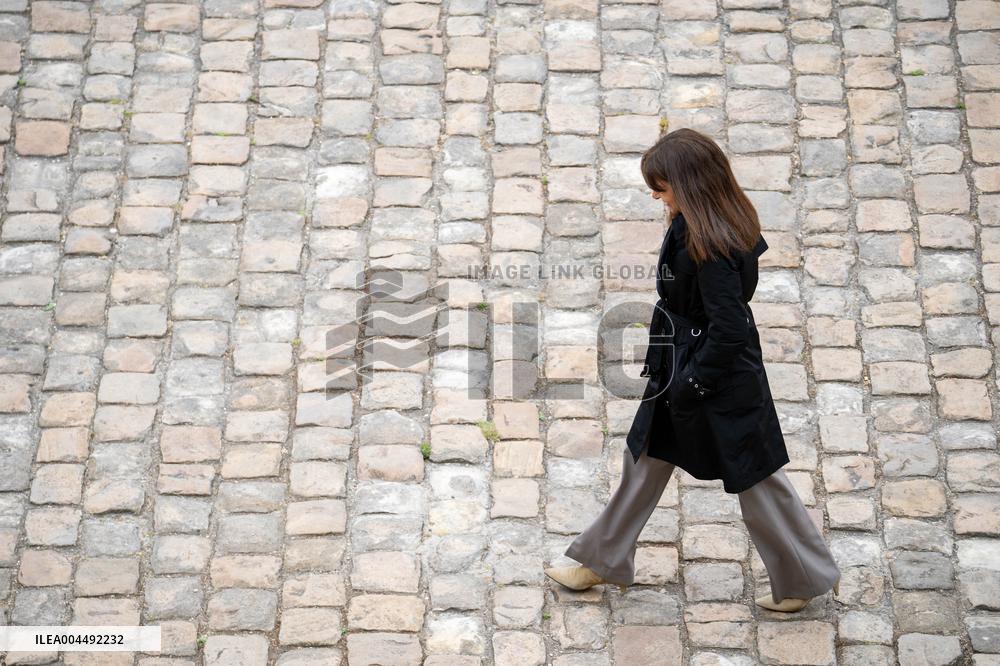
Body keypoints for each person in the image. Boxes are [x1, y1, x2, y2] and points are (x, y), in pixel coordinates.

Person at [545, 128, 841, 612]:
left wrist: (694, 382)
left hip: (717, 378)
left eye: (661, 187)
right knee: (643, 459)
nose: (655, 195)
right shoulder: (701, 219)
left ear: (690, 185)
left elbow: (730, 328)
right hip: (685, 366)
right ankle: (600, 559)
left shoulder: (712, 245)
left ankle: (802, 579)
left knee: (758, 477)